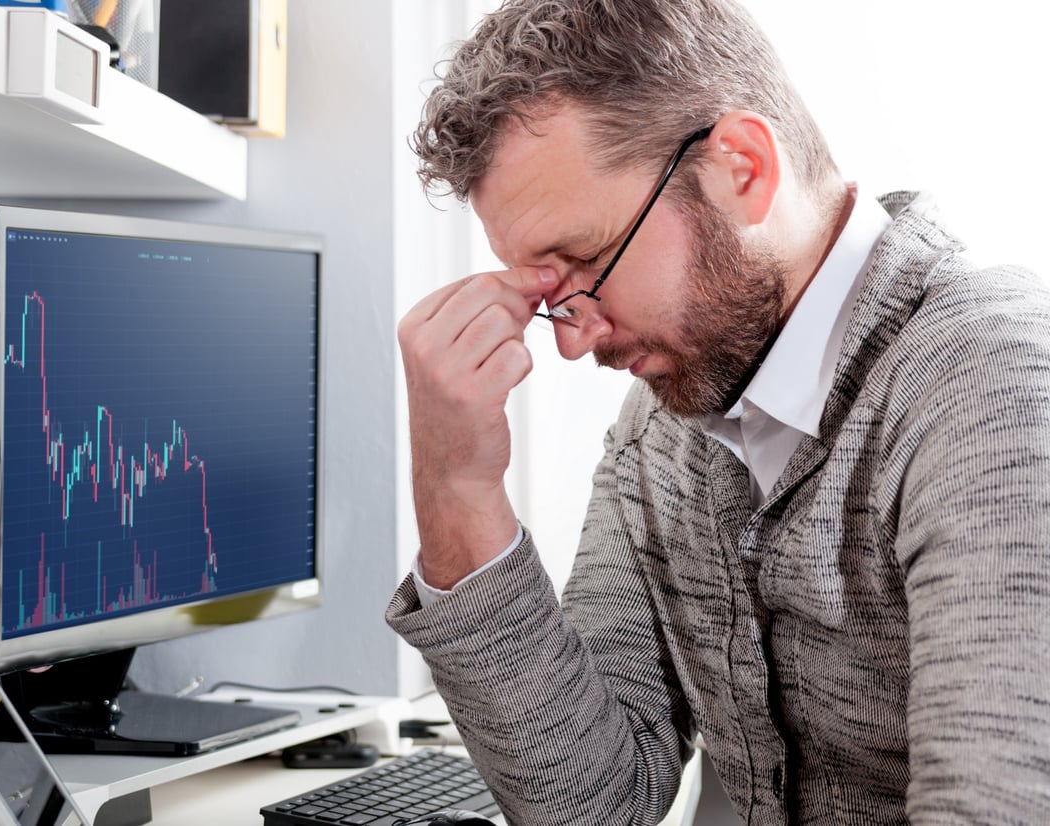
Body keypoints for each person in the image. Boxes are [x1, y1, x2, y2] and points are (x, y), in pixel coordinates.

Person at [386, 0, 1050, 824]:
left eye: (588, 261)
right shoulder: (663, 424)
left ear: (741, 167)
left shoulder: (990, 386)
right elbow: (593, 807)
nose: (570, 343)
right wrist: (457, 494)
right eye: (549, 299)